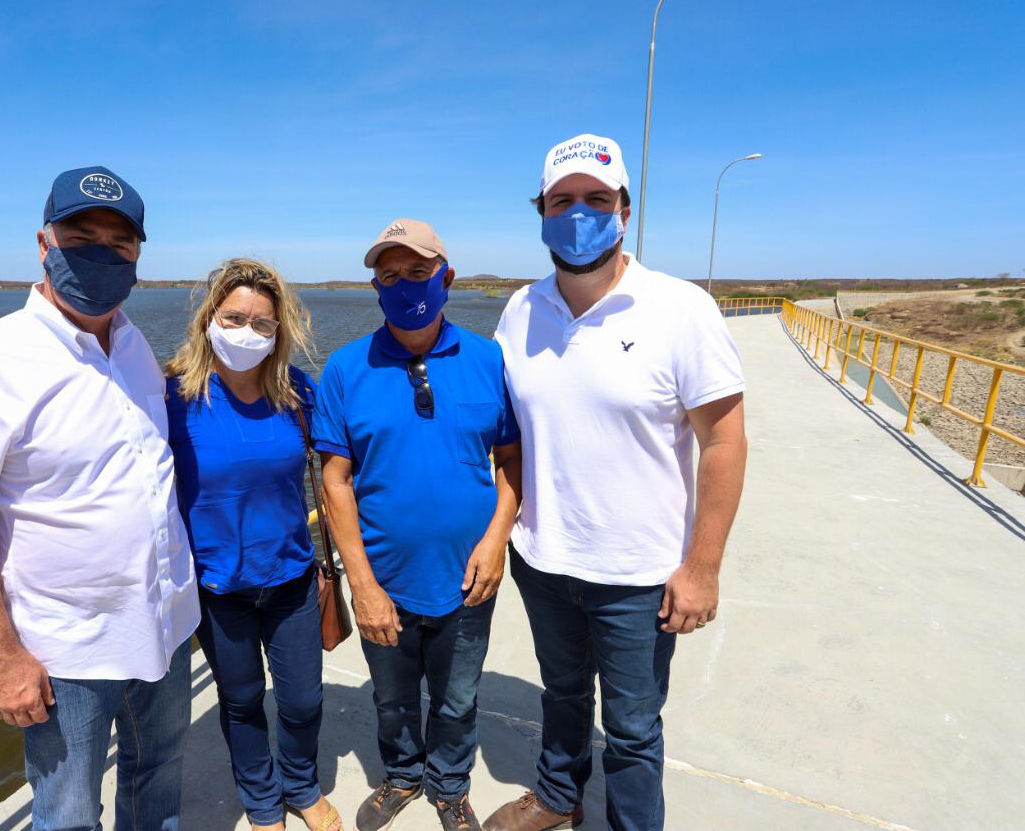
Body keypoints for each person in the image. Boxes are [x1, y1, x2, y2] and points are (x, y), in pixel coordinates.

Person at [0, 167, 199, 831]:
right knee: (67, 813)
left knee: (160, 783)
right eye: (81, 237)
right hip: (68, 652)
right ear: (44, 243)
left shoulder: (134, 344)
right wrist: (2, 656)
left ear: (138, 255)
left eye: (119, 243)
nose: (102, 254)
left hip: (167, 625)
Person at [482, 134, 748, 831]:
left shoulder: (681, 308)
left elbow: (724, 441)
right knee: (562, 693)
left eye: (597, 199)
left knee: (631, 729)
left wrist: (703, 567)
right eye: (562, 200)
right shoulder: (520, 309)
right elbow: (506, 431)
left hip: (640, 574)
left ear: (625, 211)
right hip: (544, 559)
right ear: (541, 213)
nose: (579, 214)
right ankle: (558, 794)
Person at [312, 219, 523, 831]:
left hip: (470, 576)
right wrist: (363, 585)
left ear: (446, 277)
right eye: (390, 275)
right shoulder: (345, 369)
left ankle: (449, 785)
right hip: (386, 578)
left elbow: (511, 460)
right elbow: (334, 480)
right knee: (392, 697)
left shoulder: (488, 360)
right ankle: (403, 774)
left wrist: (496, 540)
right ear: (375, 287)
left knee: (458, 699)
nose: (405, 283)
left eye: (418, 271)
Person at [164, 258, 342, 831]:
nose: (247, 332)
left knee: (303, 701)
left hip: (291, 580)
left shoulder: (297, 392)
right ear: (209, 319)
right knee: (240, 702)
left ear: (278, 331)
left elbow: (342, 466)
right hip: (218, 589)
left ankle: (302, 786)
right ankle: (263, 801)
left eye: (262, 323)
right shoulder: (172, 395)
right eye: (234, 318)